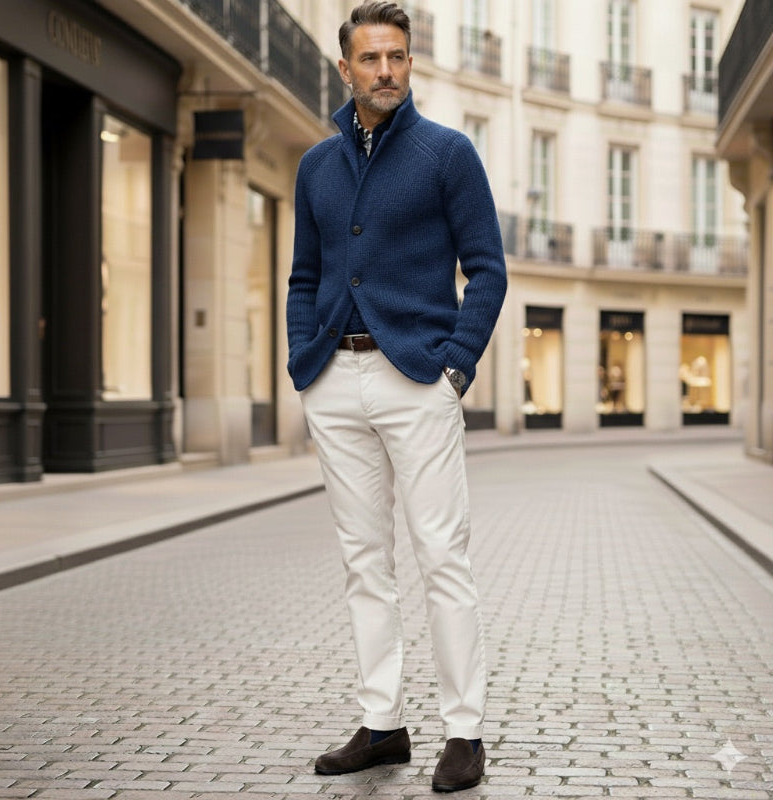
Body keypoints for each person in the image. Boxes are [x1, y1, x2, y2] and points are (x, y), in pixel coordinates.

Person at [286, 0, 507, 792]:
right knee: (364, 562)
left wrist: (456, 370)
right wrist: (302, 363)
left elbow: (488, 270)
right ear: (345, 68)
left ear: (410, 63)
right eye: (371, 58)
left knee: (442, 556)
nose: (385, 70)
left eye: (397, 56)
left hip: (417, 380)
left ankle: (464, 732)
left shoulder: (448, 154)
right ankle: (382, 725)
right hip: (333, 381)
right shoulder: (316, 166)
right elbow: (304, 276)